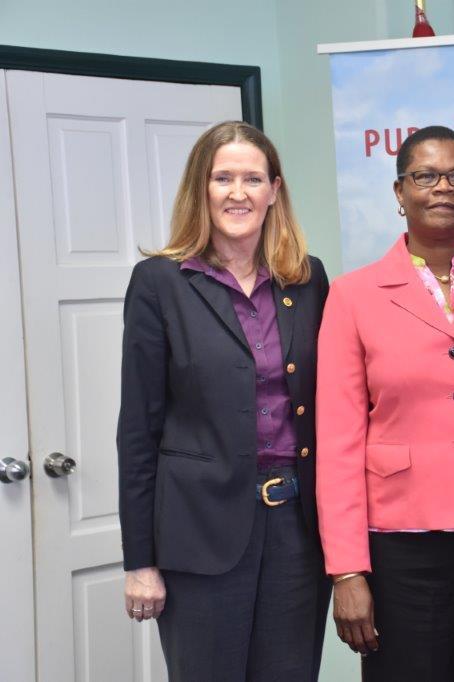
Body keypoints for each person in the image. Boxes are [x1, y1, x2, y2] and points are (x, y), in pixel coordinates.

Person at [316, 125, 454, 681]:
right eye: (426, 176)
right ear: (399, 193)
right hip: (401, 548)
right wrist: (346, 572)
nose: (443, 187)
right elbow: (339, 441)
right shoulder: (353, 295)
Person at [117, 121, 331, 681]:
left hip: (296, 535)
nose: (238, 192)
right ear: (201, 188)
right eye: (223, 177)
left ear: (274, 191)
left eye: (253, 178)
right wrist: (140, 561)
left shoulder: (308, 281)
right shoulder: (159, 282)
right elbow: (138, 433)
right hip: (198, 536)